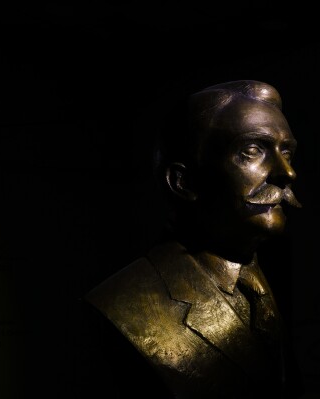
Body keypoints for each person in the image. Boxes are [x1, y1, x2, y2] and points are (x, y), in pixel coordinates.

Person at [77, 80, 305, 399]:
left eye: (286, 152)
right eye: (253, 150)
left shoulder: (267, 277)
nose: (287, 174)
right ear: (183, 182)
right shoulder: (125, 304)